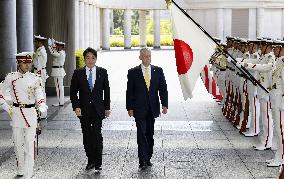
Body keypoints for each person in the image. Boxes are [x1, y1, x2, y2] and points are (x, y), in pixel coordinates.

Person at [0, 52, 48, 179]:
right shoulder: (11, 77)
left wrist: (42, 104)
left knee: (29, 144)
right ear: (18, 63)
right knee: (17, 144)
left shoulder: (35, 78)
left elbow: (39, 94)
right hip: (16, 114)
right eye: (24, 62)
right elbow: (0, 92)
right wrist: (6, 107)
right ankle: (20, 168)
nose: (27, 65)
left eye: (29, 62)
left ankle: (29, 172)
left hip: (31, 114)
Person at [126, 48, 168, 170]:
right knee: (141, 134)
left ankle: (148, 157)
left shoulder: (158, 71)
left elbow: (163, 89)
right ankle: (142, 160)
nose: (147, 58)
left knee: (150, 134)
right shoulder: (133, 72)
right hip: (139, 109)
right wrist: (129, 107)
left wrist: (164, 104)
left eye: (149, 56)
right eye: (144, 56)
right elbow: (130, 91)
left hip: (152, 108)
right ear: (140, 57)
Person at [70, 47, 110, 172]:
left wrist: (107, 108)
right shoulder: (78, 73)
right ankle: (90, 160)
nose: (90, 60)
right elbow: (73, 93)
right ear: (84, 59)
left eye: (93, 58)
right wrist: (76, 107)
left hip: (98, 110)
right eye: (88, 57)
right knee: (87, 136)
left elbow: (106, 91)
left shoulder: (102, 72)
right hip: (84, 110)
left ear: (96, 59)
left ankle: (98, 162)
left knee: (97, 135)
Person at [47, 38, 66, 106]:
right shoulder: (61, 52)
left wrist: (50, 46)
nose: (56, 46)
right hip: (59, 71)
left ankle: (60, 102)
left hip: (58, 72)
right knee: (59, 87)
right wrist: (53, 45)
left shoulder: (60, 53)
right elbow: (55, 51)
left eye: (57, 45)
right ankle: (61, 101)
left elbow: (53, 52)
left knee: (59, 88)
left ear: (61, 47)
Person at [33, 35, 48, 118]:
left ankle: (42, 113)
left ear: (40, 42)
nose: (35, 43)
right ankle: (41, 112)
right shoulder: (40, 50)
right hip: (39, 72)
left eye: (36, 42)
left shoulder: (40, 51)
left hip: (39, 72)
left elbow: (39, 65)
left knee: (41, 92)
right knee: (40, 92)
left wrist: (37, 76)